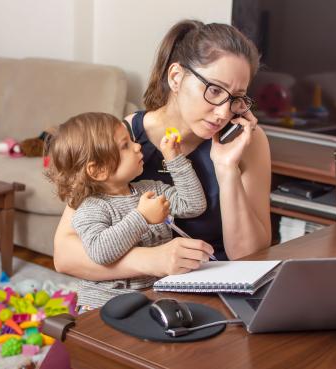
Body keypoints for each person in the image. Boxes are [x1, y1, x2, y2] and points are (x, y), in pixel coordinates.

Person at [53, 19, 272, 282]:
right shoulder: (126, 139)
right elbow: (64, 254)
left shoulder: (249, 142)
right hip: (145, 288)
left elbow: (249, 258)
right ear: (176, 77)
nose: (224, 112)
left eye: (236, 97)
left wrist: (226, 169)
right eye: (214, 90)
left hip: (220, 283)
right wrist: (154, 260)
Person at [46, 112, 207, 308]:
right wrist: (142, 217)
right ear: (97, 170)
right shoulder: (90, 207)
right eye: (125, 146)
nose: (138, 146)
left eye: (132, 140)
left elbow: (193, 204)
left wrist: (174, 159)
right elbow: (101, 252)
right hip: (103, 307)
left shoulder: (150, 189)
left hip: (151, 299)